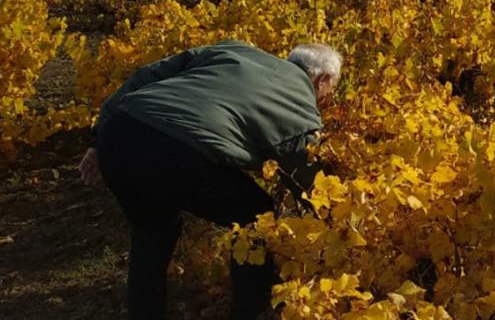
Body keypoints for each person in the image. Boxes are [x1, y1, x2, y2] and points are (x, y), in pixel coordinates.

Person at [78, 39, 341, 320]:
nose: (327, 101)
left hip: (121, 131)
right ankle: (250, 313)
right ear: (322, 80)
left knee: (152, 234)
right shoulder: (299, 103)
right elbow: (310, 182)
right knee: (258, 215)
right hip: (177, 148)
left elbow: (146, 76)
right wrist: (338, 227)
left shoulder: (235, 50)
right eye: (331, 90)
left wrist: (97, 142)